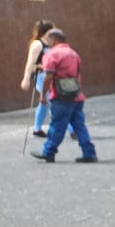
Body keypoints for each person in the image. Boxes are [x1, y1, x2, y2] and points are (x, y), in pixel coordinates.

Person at [31, 29, 97, 164]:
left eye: (48, 39)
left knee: (57, 125)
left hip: (60, 95)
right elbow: (77, 73)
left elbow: (49, 76)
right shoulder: (74, 53)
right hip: (76, 95)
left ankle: (48, 152)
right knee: (79, 126)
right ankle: (89, 153)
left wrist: (43, 94)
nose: (47, 42)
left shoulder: (52, 54)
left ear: (54, 38)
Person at [19, 19, 55, 138]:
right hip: (41, 77)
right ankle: (71, 129)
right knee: (53, 102)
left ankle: (37, 128)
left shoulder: (50, 43)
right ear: (46, 31)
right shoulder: (38, 44)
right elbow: (30, 62)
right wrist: (26, 78)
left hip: (51, 76)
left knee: (45, 103)